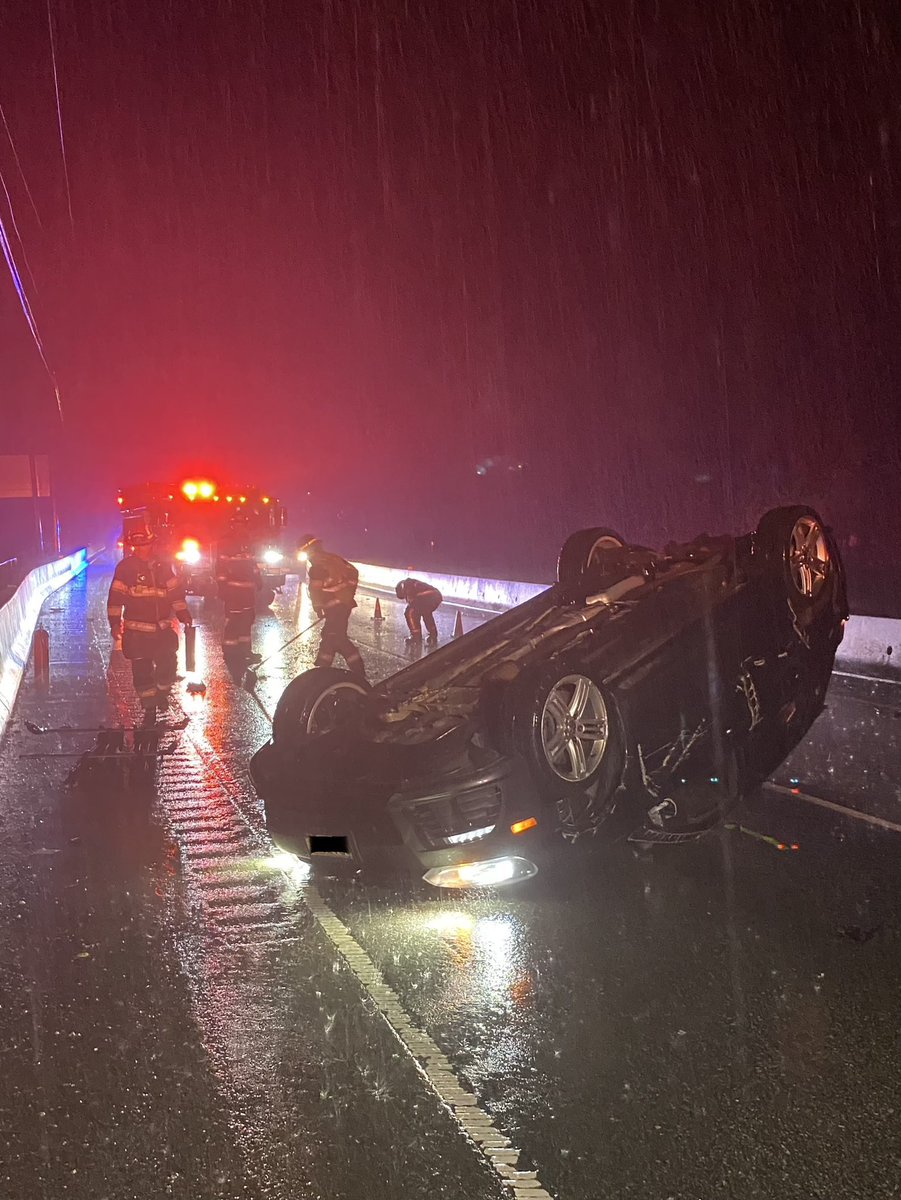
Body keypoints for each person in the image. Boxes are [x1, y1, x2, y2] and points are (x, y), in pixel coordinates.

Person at [107, 529, 192, 723]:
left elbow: (175, 593)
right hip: (137, 633)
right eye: (138, 546)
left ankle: (161, 694)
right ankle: (150, 708)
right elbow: (115, 598)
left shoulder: (163, 567)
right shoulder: (125, 568)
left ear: (151, 545)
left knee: (168, 667)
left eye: (144, 545)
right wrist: (114, 623)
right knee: (142, 673)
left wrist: (183, 613)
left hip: (162, 631)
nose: (141, 549)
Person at [298, 535, 366, 678]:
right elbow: (354, 572)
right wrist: (348, 593)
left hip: (335, 607)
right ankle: (322, 668)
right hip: (344, 605)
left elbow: (315, 590)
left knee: (336, 637)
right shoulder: (333, 558)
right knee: (331, 636)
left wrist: (318, 607)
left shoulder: (317, 566)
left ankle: (356, 670)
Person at [216, 522, 261, 663]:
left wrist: (258, 579)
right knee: (233, 621)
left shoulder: (249, 545)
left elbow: (253, 566)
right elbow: (221, 568)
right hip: (233, 592)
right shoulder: (227, 546)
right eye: (239, 525)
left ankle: (245, 652)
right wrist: (222, 586)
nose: (242, 529)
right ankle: (230, 653)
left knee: (247, 620)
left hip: (247, 592)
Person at [395, 577, 443, 644]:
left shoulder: (407, 585)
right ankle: (433, 635)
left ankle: (415, 636)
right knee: (426, 613)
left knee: (409, 612)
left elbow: (411, 601)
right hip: (436, 596)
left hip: (427, 596)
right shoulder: (412, 583)